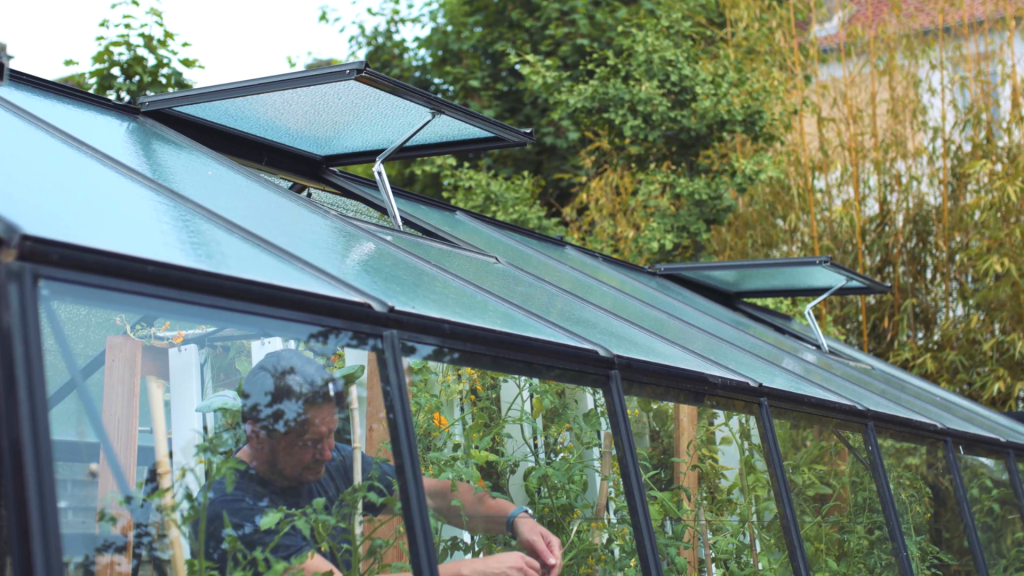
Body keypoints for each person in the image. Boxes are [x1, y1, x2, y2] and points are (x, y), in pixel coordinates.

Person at [195, 349, 562, 576]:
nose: (327, 452)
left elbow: (431, 497)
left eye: (331, 435)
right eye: (309, 442)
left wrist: (517, 520)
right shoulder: (231, 509)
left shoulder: (332, 462)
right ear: (257, 435)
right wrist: (469, 571)